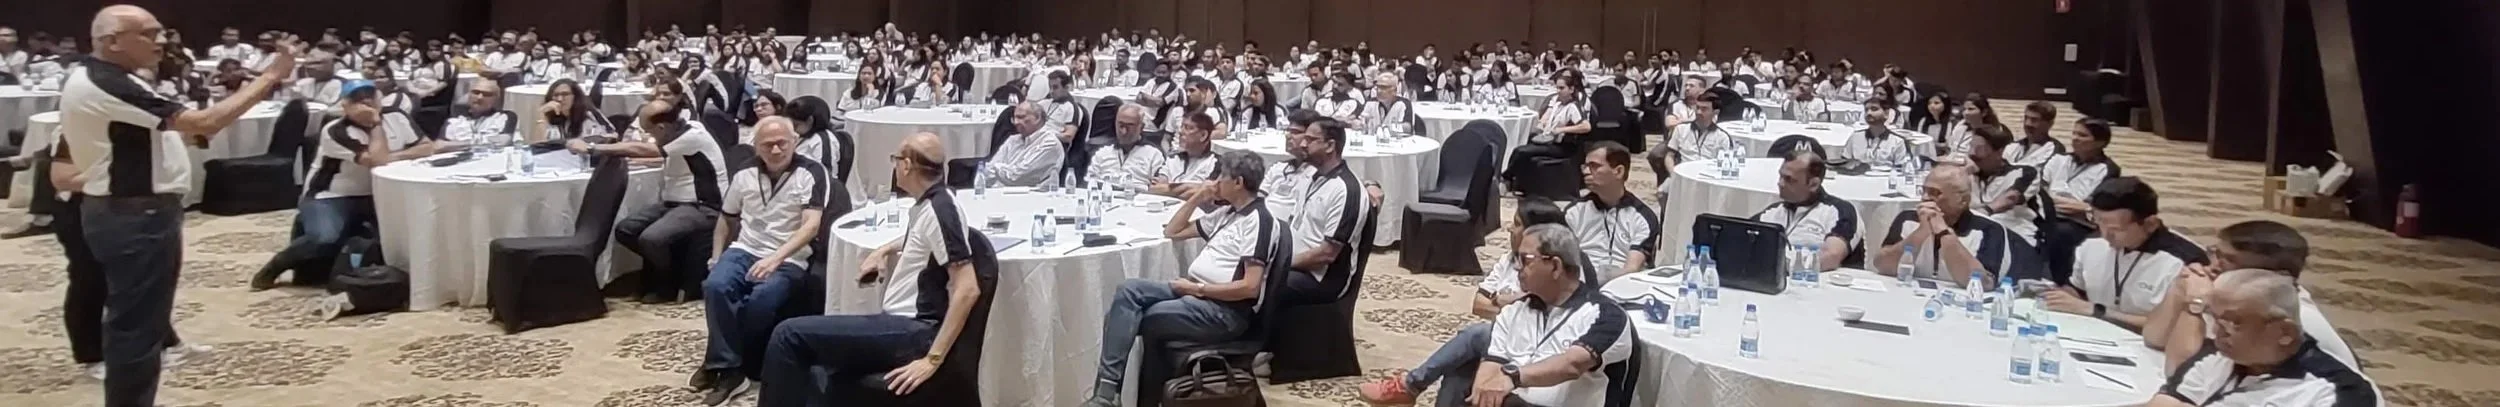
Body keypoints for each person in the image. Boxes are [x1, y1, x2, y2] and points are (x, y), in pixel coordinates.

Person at [62, 7, 296, 404]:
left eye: (161, 32)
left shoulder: (113, 76)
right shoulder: (107, 82)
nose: (161, 42)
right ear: (112, 41)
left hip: (129, 209)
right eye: (148, 34)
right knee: (136, 326)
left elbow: (138, 135)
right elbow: (205, 121)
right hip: (134, 214)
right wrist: (271, 75)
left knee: (141, 320)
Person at [758, 131, 990, 407]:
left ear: (906, 165)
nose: (895, 166)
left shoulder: (941, 210)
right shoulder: (934, 202)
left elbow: (968, 289)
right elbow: (921, 238)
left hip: (915, 330)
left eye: (896, 160)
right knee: (818, 363)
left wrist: (932, 359)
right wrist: (883, 250)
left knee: (788, 336)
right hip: (906, 325)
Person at [1081, 151, 1280, 407]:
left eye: (1221, 177)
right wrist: (1197, 197)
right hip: (1197, 294)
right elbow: (1173, 231)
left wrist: (1198, 289)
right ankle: (1109, 395)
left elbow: (1250, 288)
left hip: (1224, 311)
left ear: (1238, 182)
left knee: (1132, 315)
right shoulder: (1228, 214)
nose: (1214, 182)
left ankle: (1110, 395)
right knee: (1129, 291)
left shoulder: (1258, 221)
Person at [1355, 199, 1567, 405]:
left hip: (1534, 344)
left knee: (1477, 334)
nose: (1510, 228)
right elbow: (1479, 305)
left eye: (1517, 224)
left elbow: (1543, 311)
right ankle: (1412, 387)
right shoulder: (1508, 260)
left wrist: (1507, 302)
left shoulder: (1556, 269)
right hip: (1505, 336)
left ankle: (1411, 384)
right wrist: (1510, 304)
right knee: (1462, 362)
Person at [691, 116, 832, 405]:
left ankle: (725, 360)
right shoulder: (744, 173)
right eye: (768, 145)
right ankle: (729, 368)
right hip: (745, 248)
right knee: (715, 285)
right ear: (755, 146)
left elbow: (811, 226)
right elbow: (727, 219)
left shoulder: (811, 172)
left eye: (782, 143)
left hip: (790, 256)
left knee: (762, 298)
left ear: (794, 142)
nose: (776, 150)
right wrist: (716, 256)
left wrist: (775, 259)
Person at [253, 86, 447, 290]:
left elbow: (427, 147)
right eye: (358, 100)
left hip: (379, 193)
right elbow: (377, 161)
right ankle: (276, 266)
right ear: (345, 106)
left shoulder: (397, 116)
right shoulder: (335, 131)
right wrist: (375, 124)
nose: (366, 103)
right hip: (331, 195)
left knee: (407, 231)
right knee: (324, 238)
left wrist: (391, 156)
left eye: (370, 97)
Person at [2144, 221, 2358, 371]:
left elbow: (2179, 372)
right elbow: (2154, 338)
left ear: (2276, 275)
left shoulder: (2290, 317)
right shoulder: (2226, 293)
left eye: (2230, 260)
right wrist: (2180, 289)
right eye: (2216, 254)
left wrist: (2194, 304)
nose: (2214, 266)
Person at [1457, 224, 1633, 407]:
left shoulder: (1606, 316)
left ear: (1555, 266)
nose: (1517, 267)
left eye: (1525, 260)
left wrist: (1513, 377)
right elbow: (1492, 364)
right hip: (1511, 403)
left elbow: (1572, 365)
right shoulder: (1514, 310)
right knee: (1460, 384)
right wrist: (1482, 394)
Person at [2147, 269, 2378, 407]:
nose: (2218, 332)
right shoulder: (2220, 355)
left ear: (2284, 333)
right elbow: (2167, 402)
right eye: (2216, 319)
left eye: (2235, 322)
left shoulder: (2337, 391)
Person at [591, 100, 728, 304]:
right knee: (625, 229)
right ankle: (669, 266)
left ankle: (666, 285)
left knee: (652, 239)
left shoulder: (693, 135)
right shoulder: (676, 133)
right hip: (673, 202)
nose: (647, 136)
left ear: (662, 127)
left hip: (703, 206)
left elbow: (647, 150)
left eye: (649, 131)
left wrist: (594, 148)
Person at [2038, 177, 2205, 330]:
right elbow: (2077, 290)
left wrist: (2098, 311)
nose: (2105, 235)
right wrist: (2056, 295)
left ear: (2150, 224)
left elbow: (2177, 328)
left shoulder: (2185, 263)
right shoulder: (2092, 243)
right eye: (2099, 223)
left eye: (2116, 229)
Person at [1872, 165, 2017, 287]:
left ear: (1963, 200)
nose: (1925, 198)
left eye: (1935, 193)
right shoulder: (1907, 219)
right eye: (1924, 190)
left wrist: (1944, 234)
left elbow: (1983, 284)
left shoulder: (1989, 229)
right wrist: (1920, 233)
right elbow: (1882, 266)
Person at [1282, 119, 1371, 302]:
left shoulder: (1346, 190)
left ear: (1330, 146)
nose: (1303, 144)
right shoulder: (1310, 175)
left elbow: (1327, 254)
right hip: (1295, 261)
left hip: (1322, 278)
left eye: (1310, 140)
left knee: (1261, 284)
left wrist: (1281, 264)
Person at [1566, 142, 1661, 279]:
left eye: (1594, 166)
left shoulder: (1642, 217)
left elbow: (1632, 269)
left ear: (1618, 171)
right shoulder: (1573, 212)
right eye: (1585, 166)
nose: (1586, 172)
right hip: (1581, 282)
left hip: (1624, 283)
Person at [1752, 150, 1858, 271]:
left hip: (1817, 279)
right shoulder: (1773, 211)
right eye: (1781, 176)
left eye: (1789, 179)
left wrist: (1783, 267)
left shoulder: (1838, 211)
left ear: (1813, 184)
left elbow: (1831, 256)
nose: (1780, 183)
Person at [1966, 123, 2043, 240]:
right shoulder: (1969, 173)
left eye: (1979, 148)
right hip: (1975, 233)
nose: (1972, 153)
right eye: (1971, 146)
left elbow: (2011, 198)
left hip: (2015, 233)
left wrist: (1985, 211)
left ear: (1999, 152)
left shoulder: (2025, 172)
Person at [977, 102, 1066, 187]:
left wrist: (996, 168)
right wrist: (1000, 169)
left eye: (1021, 117)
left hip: (1031, 194)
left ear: (1037, 118)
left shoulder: (1050, 143)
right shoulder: (1013, 140)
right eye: (1014, 118)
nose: (1016, 122)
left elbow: (1017, 177)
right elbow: (986, 173)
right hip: (999, 190)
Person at [1087, 105, 1163, 191]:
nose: (1124, 131)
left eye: (1130, 126)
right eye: (1120, 125)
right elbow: (1089, 182)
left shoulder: (1154, 155)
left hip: (1139, 196)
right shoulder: (1102, 153)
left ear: (1141, 127)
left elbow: (1159, 188)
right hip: (1105, 195)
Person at [1150, 113, 1219, 197]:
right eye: (1181, 127)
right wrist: (1188, 187)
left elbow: (1206, 193)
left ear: (1203, 135)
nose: (1181, 131)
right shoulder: (1172, 158)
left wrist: (1168, 188)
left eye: (1188, 128)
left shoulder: (1216, 163)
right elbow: (1154, 188)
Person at [1838, 97, 1916, 166]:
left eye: (1874, 109)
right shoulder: (1855, 137)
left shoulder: (1897, 141)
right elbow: (1844, 163)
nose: (1869, 113)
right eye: (1866, 110)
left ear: (1886, 114)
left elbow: (1901, 169)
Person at [535, 79, 615, 142]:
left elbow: (613, 135)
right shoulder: (550, 114)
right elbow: (538, 145)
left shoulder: (589, 113)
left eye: (565, 94)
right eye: (556, 95)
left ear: (575, 96)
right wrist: (541, 116)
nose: (559, 99)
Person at [441, 80, 517, 143]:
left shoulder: (505, 117)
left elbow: (503, 142)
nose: (480, 97)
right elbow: (439, 146)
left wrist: (456, 145)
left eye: (487, 94)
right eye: (476, 92)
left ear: (496, 99)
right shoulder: (453, 120)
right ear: (469, 95)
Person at [2003, 101, 2064, 166]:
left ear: (2049, 124)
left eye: (2034, 120)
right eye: (2026, 118)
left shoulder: (2054, 150)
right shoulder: (2013, 146)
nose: (2027, 124)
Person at [1941, 93, 1997, 163]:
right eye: (1964, 109)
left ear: (1984, 112)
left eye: (1971, 109)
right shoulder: (1960, 126)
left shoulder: (1989, 133)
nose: (1966, 113)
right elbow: (1950, 148)